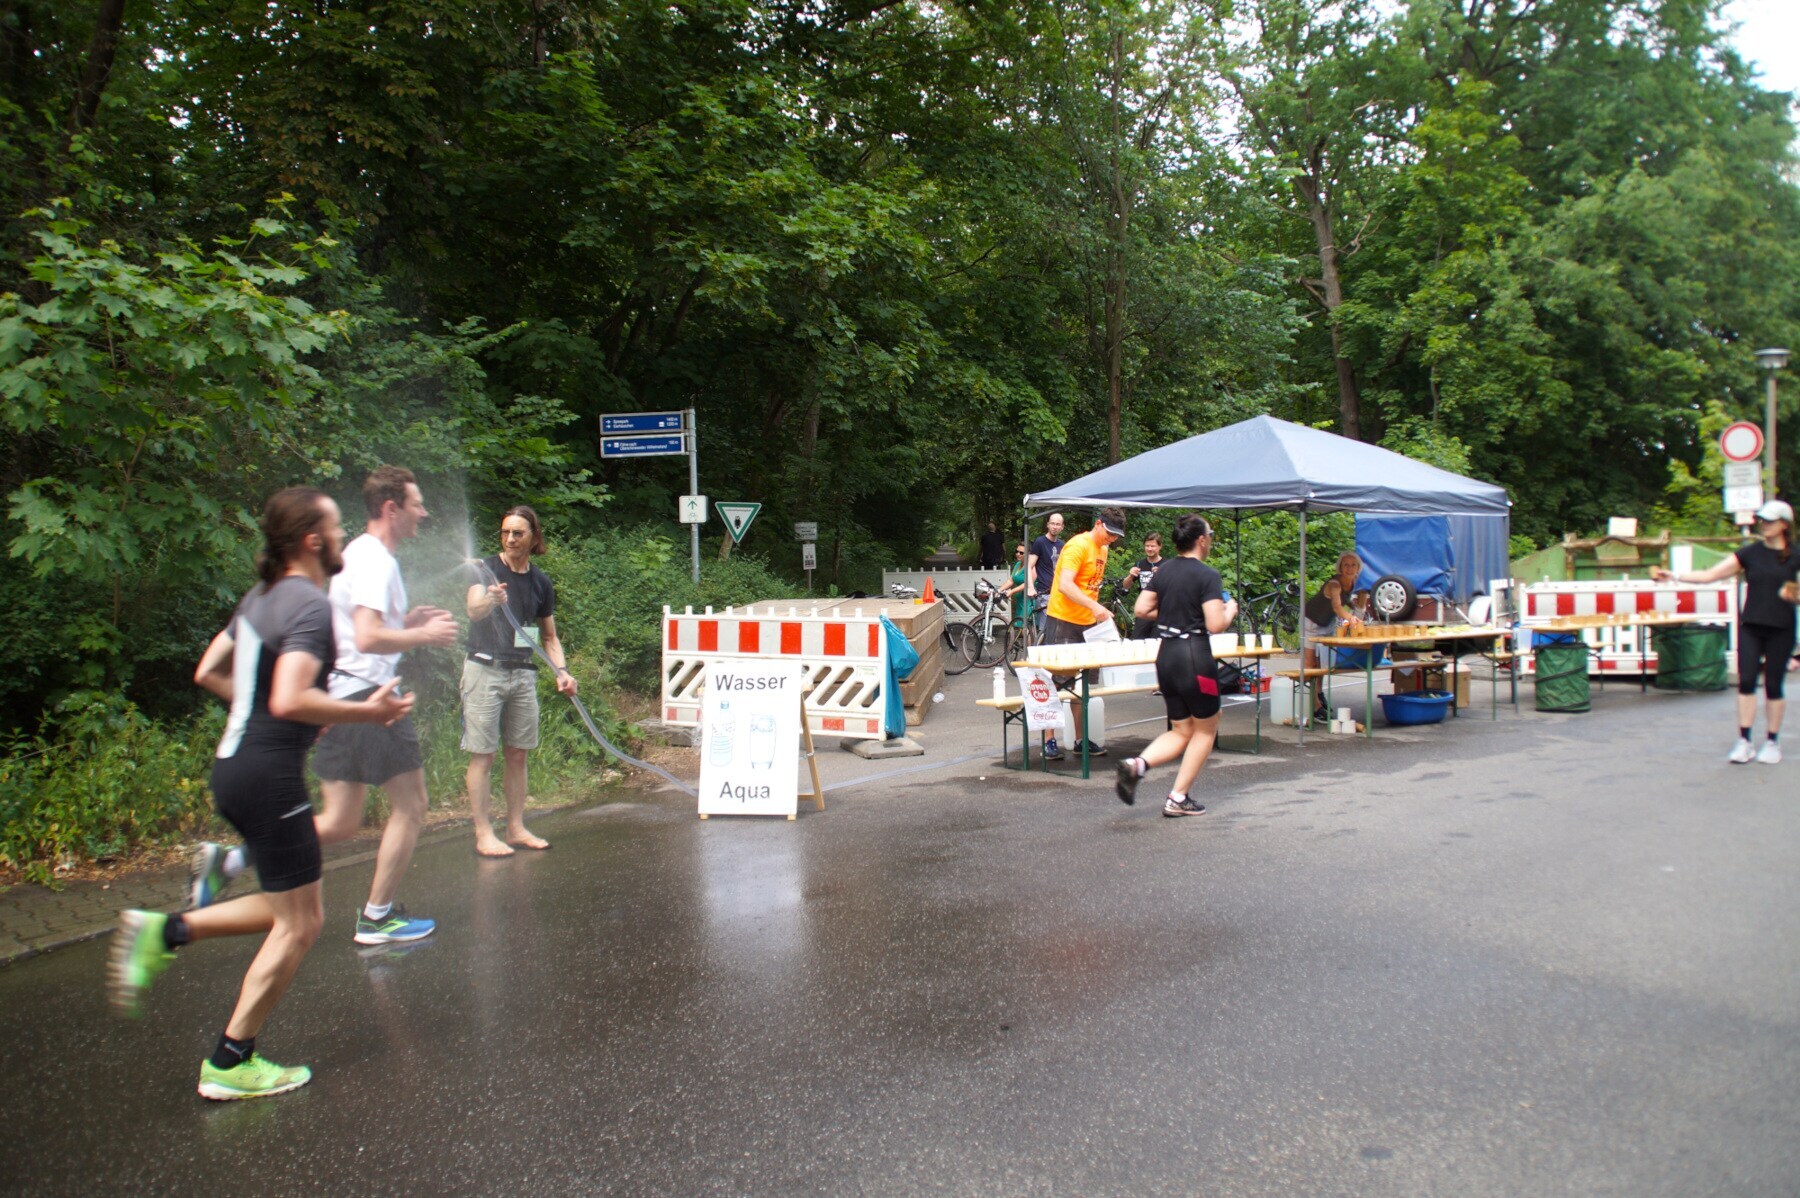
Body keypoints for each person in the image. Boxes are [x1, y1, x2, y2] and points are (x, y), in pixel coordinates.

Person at [109, 488, 413, 1100]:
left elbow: (210, 672)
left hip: (233, 766)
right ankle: (229, 1060)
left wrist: (289, 716)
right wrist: (361, 713)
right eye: (332, 530)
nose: (341, 545)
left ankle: (165, 933)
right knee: (301, 926)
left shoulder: (260, 598)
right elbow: (287, 696)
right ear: (311, 541)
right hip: (269, 776)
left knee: (289, 913)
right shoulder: (306, 605)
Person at [463, 505, 577, 856]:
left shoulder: (541, 582)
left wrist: (563, 671)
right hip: (485, 669)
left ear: (533, 537)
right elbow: (472, 609)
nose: (510, 539)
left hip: (523, 674)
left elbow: (549, 638)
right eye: (505, 532)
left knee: (518, 754)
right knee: (483, 755)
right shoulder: (485, 569)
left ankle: (515, 828)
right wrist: (491, 600)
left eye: (518, 533)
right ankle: (484, 833)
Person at [1653, 499, 1798, 764]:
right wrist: (1674, 576)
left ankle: (1772, 742)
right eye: (1762, 520)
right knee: (1746, 681)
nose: (1763, 524)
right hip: (1752, 626)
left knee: (1774, 685)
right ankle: (1744, 741)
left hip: (1782, 629)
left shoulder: (1795, 556)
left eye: (1769, 521)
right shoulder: (1750, 553)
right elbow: (1711, 575)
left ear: (1784, 525)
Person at [1116, 514, 1238, 816]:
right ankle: (1178, 797)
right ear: (1201, 540)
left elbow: (1142, 608)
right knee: (1208, 727)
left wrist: (1173, 614)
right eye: (1209, 535)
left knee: (1183, 729)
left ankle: (1137, 765)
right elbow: (1215, 623)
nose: (1210, 539)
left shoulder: (1164, 570)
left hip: (1166, 657)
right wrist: (1230, 609)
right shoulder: (1207, 575)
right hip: (1194, 657)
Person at [1041, 507, 1127, 759]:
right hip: (1064, 620)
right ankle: (1049, 740)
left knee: (1084, 685)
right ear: (1098, 524)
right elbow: (1066, 585)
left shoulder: (1104, 548)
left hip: (1089, 623)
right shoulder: (1077, 546)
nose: (1112, 539)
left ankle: (1080, 739)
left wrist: (1094, 613)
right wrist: (1095, 607)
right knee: (1058, 682)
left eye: (1116, 536)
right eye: (1109, 533)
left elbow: (1090, 586)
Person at [1302, 552, 1365, 725]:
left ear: (1358, 568)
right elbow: (1337, 607)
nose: (1349, 568)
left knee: (1323, 664)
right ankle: (1314, 707)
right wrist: (1350, 618)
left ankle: (1319, 694)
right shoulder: (1334, 584)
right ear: (1340, 567)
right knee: (1310, 665)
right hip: (1312, 622)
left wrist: (1358, 609)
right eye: (1345, 565)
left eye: (1353, 565)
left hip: (1327, 623)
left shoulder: (1354, 584)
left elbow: (1354, 605)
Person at [1026, 512, 1065, 636]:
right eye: (1052, 523)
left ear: (1062, 527)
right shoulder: (1040, 542)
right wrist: (1031, 587)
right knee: (1045, 633)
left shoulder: (1062, 545)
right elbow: (1029, 565)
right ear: (1048, 525)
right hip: (1045, 593)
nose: (1055, 526)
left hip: (1059, 593)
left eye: (1058, 524)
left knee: (1058, 631)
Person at [1125, 532, 1167, 639]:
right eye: (1147, 546)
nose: (1149, 549)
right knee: (1138, 641)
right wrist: (1130, 576)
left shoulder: (1166, 565)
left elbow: (1174, 588)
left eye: (1153, 546)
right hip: (1144, 610)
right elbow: (1125, 586)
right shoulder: (1139, 564)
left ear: (1160, 546)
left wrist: (1161, 575)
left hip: (1161, 611)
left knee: (1156, 644)